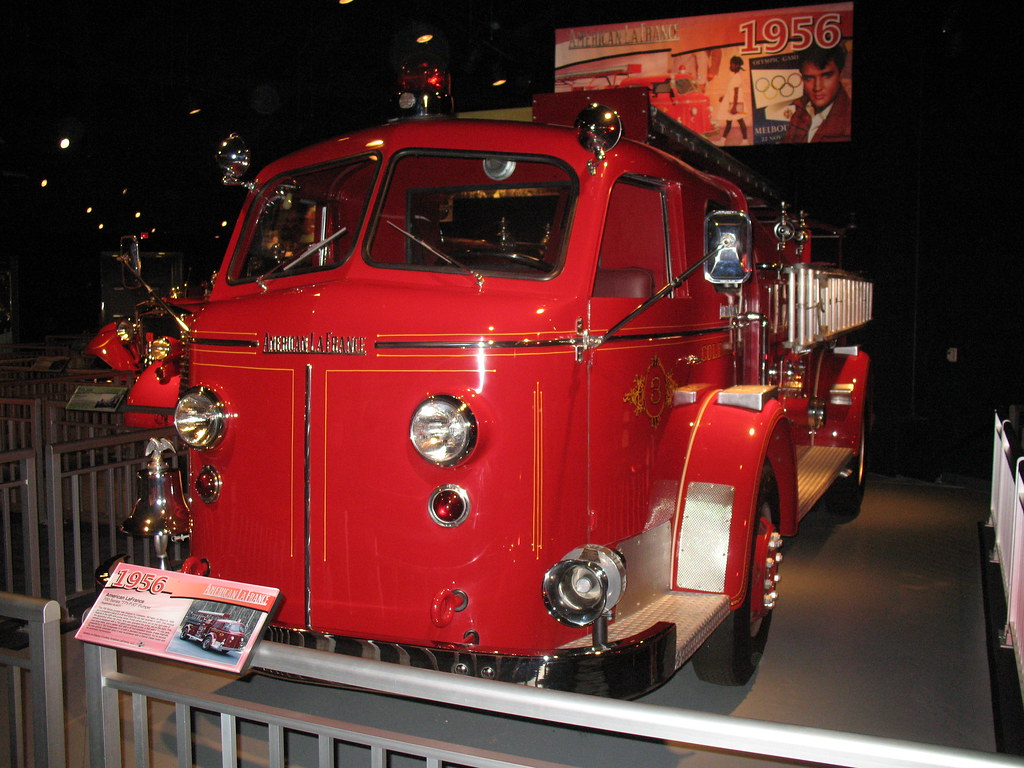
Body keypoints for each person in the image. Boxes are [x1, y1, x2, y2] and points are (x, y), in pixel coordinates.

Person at [783, 43, 851, 143]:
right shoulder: (800, 110)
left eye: (826, 76)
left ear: (840, 75)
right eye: (809, 78)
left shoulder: (847, 121)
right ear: (802, 79)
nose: (817, 87)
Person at [715, 56, 749, 142]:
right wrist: (724, 98)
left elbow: (736, 93)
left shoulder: (737, 77)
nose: (730, 66)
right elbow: (731, 92)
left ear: (737, 65)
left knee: (740, 121)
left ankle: (745, 141)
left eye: (732, 64)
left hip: (735, 103)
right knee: (729, 122)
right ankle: (722, 141)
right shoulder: (735, 77)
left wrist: (734, 107)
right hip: (733, 102)